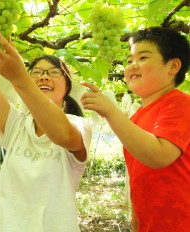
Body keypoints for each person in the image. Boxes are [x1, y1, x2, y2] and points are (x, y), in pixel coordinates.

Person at [0, 12, 92, 232]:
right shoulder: (16, 125)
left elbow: (63, 135)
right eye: (36, 72)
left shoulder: (78, 125)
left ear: (67, 88)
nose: (44, 76)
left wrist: (20, 78)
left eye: (53, 72)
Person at [80, 26, 190, 231]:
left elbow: (159, 155)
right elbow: (138, 178)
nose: (132, 65)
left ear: (173, 66)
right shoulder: (137, 116)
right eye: (129, 60)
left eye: (143, 58)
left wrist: (111, 111)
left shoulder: (180, 103)